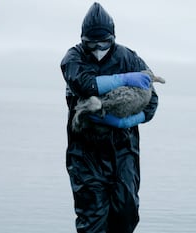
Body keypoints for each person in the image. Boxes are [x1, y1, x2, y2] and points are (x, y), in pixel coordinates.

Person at [60, 2, 159, 233]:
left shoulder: (129, 58)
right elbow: (84, 84)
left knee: (126, 215)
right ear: (82, 40)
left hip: (123, 151)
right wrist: (124, 79)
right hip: (86, 155)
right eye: (91, 43)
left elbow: (152, 103)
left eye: (103, 43)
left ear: (112, 38)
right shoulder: (73, 59)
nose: (97, 49)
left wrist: (125, 122)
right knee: (92, 221)